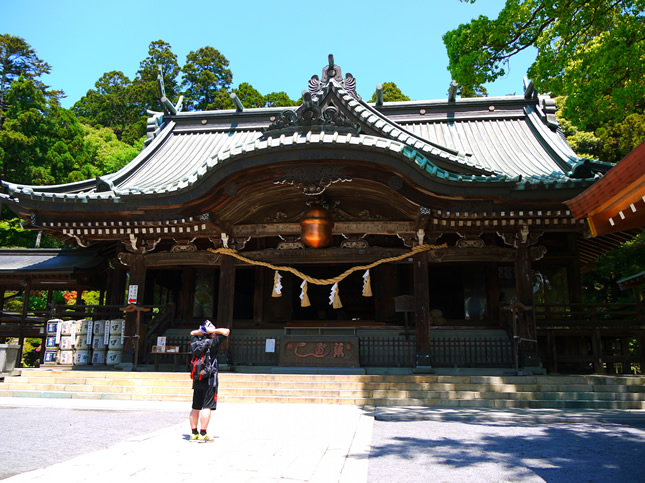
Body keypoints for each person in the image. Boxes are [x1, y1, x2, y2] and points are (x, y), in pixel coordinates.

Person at [188, 320, 230, 442]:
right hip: (210, 379)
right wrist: (213, 330)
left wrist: (201, 331)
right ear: (211, 333)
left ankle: (193, 433)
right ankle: (203, 433)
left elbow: (192, 332)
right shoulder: (213, 342)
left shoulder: (195, 343)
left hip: (197, 378)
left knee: (195, 407)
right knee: (207, 406)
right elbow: (226, 332)